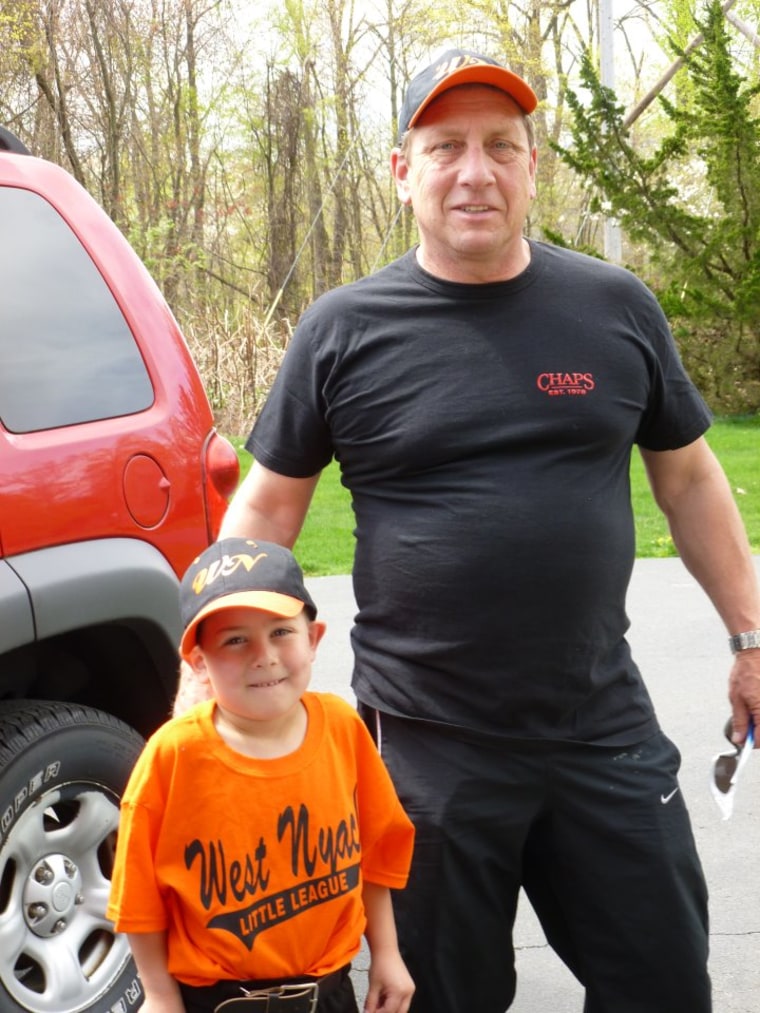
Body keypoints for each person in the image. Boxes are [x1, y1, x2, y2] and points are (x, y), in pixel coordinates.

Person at [175, 50, 760, 1013]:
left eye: (501, 146)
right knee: (440, 998)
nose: (475, 171)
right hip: (425, 753)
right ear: (404, 172)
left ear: (535, 167)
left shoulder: (615, 308)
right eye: (445, 147)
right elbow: (266, 510)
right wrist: (207, 671)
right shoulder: (342, 331)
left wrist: (746, 638)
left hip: (599, 726)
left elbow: (690, 477)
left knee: (663, 982)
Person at [108, 538, 415, 1013]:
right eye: (235, 639)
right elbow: (139, 901)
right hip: (216, 1001)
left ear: (313, 639)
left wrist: (387, 954)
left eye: (280, 632)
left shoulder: (341, 728)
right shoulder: (174, 755)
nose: (263, 654)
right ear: (198, 662)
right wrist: (159, 995)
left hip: (330, 992)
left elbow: (375, 850)